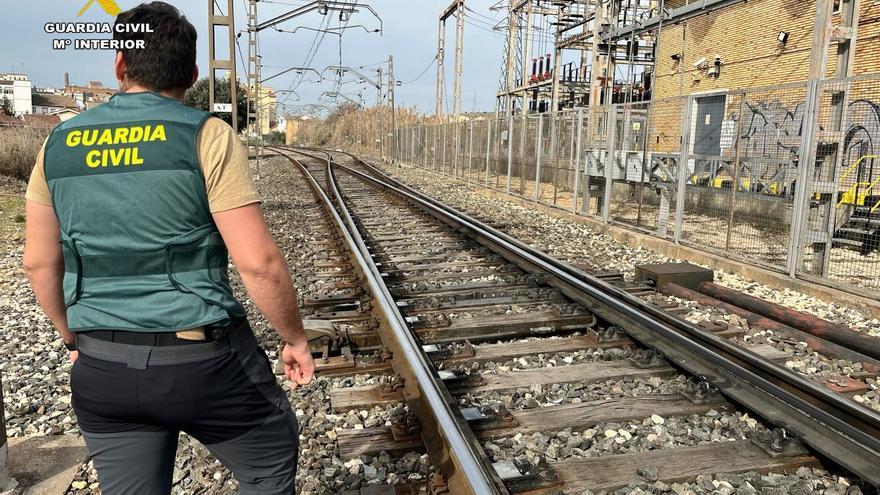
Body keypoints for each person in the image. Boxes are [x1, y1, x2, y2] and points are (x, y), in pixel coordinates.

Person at [22, 3, 315, 494]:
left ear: (119, 65)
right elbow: (258, 264)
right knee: (269, 458)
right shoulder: (206, 134)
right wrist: (295, 339)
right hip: (203, 363)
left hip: (102, 367)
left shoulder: (58, 142)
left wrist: (74, 341)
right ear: (194, 74)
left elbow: (38, 260)